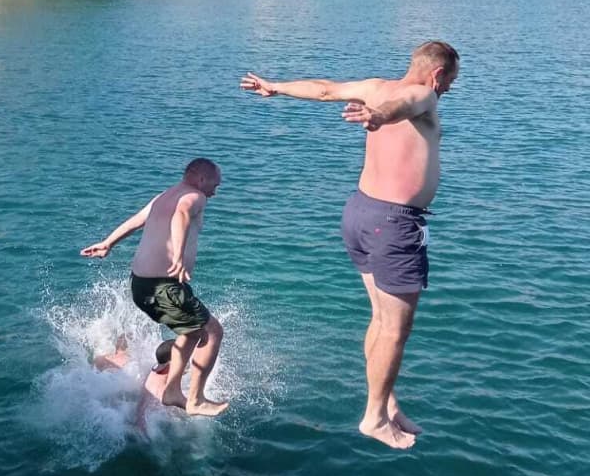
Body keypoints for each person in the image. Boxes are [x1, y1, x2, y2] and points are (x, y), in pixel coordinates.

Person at [241, 40, 460, 451]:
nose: (449, 89)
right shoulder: (424, 95)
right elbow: (407, 105)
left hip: (360, 213)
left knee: (381, 318)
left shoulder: (376, 86)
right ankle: (374, 418)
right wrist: (379, 116)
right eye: (450, 80)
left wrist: (276, 86)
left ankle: (386, 400)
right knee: (395, 328)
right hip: (394, 225)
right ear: (437, 74)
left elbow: (325, 89)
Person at [80, 159, 228, 417]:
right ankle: (195, 399)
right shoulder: (195, 196)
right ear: (201, 179)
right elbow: (182, 214)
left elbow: (137, 220)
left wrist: (108, 243)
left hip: (140, 284)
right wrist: (178, 256)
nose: (215, 191)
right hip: (164, 285)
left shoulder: (164, 196)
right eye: (215, 185)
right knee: (213, 332)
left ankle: (172, 390)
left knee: (192, 332)